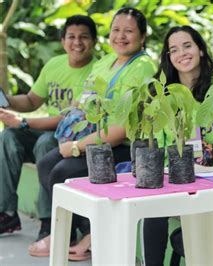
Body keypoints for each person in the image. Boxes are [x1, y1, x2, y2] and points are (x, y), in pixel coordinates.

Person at [30, 7, 157, 261]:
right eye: (116, 30)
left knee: (61, 172)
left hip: (122, 144)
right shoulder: (105, 61)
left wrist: (77, 146)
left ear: (142, 37)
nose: (121, 36)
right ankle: (83, 232)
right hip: (94, 136)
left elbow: (120, 130)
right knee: (45, 165)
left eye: (129, 31)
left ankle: (83, 235)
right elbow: (82, 102)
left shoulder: (142, 67)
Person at [143, 26, 213, 266]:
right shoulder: (161, 96)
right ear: (168, 58)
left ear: (201, 50)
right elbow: (158, 150)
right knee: (153, 214)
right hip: (176, 182)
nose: (181, 53)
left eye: (187, 46)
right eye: (173, 50)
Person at [0, 15, 97, 242]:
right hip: (48, 130)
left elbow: (69, 120)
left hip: (73, 136)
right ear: (63, 41)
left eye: (84, 37)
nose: (77, 43)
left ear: (94, 41)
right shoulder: (54, 64)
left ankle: (49, 221)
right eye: (71, 37)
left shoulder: (97, 71)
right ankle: (6, 213)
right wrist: (6, 100)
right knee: (8, 137)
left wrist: (24, 122)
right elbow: (32, 101)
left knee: (45, 142)